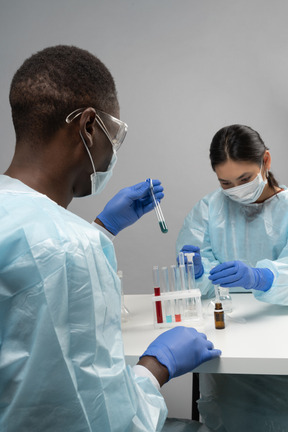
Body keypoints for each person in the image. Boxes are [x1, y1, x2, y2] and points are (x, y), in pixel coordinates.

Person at [0, 45, 221, 432]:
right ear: (88, 126)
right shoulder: (70, 249)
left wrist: (100, 229)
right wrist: (155, 369)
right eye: (113, 133)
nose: (112, 150)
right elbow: (102, 421)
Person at [176, 124, 288, 431]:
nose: (236, 190)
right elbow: (201, 287)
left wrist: (263, 277)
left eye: (245, 179)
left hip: (281, 336)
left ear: (266, 161)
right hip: (228, 335)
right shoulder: (210, 209)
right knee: (233, 419)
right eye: (226, 183)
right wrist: (197, 274)